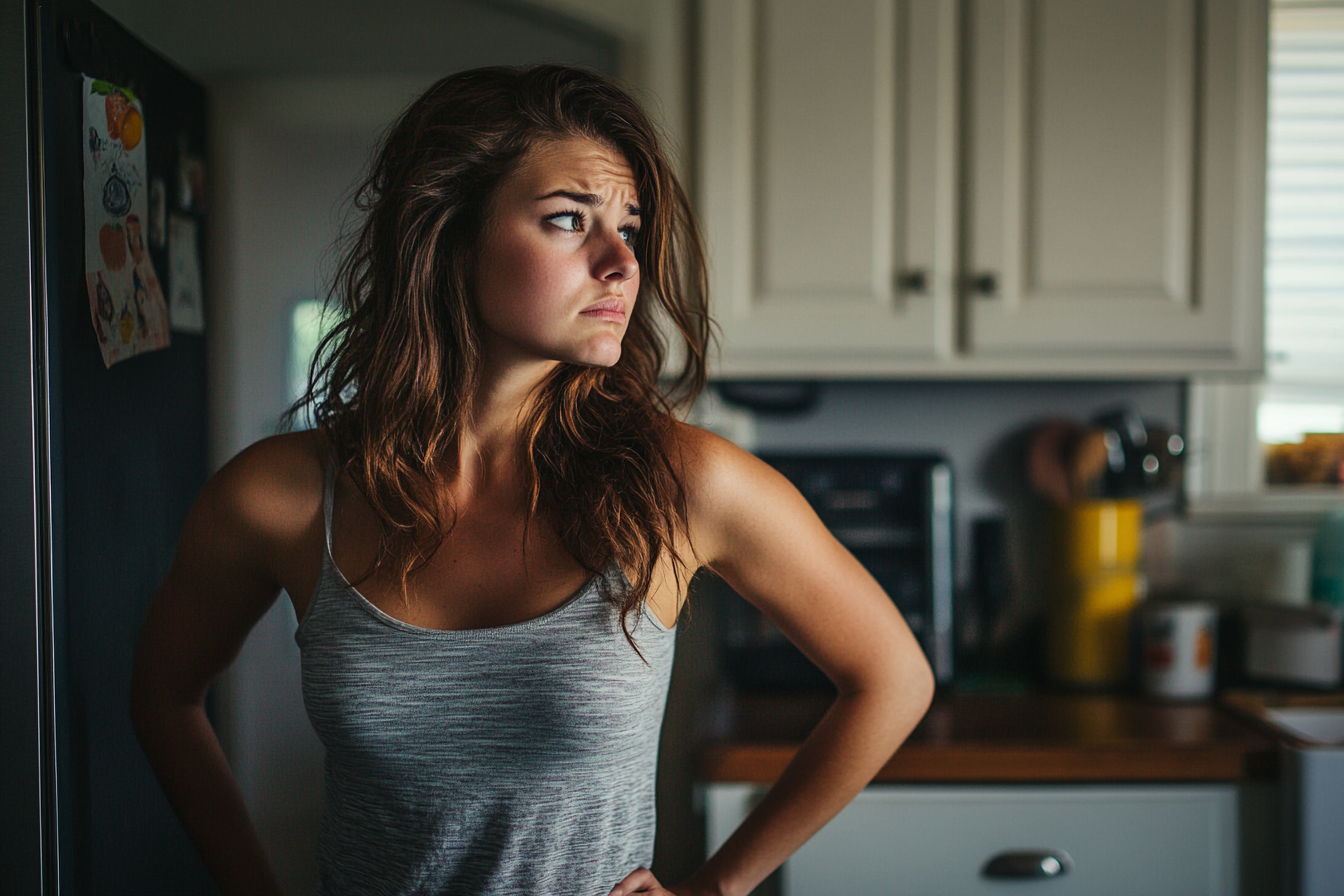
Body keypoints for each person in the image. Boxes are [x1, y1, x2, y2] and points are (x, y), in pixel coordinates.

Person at [130, 64, 934, 896]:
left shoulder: (684, 485)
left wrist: (718, 887)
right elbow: (164, 699)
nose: (622, 261)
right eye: (567, 221)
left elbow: (893, 678)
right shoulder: (282, 497)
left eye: (630, 225)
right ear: (448, 237)